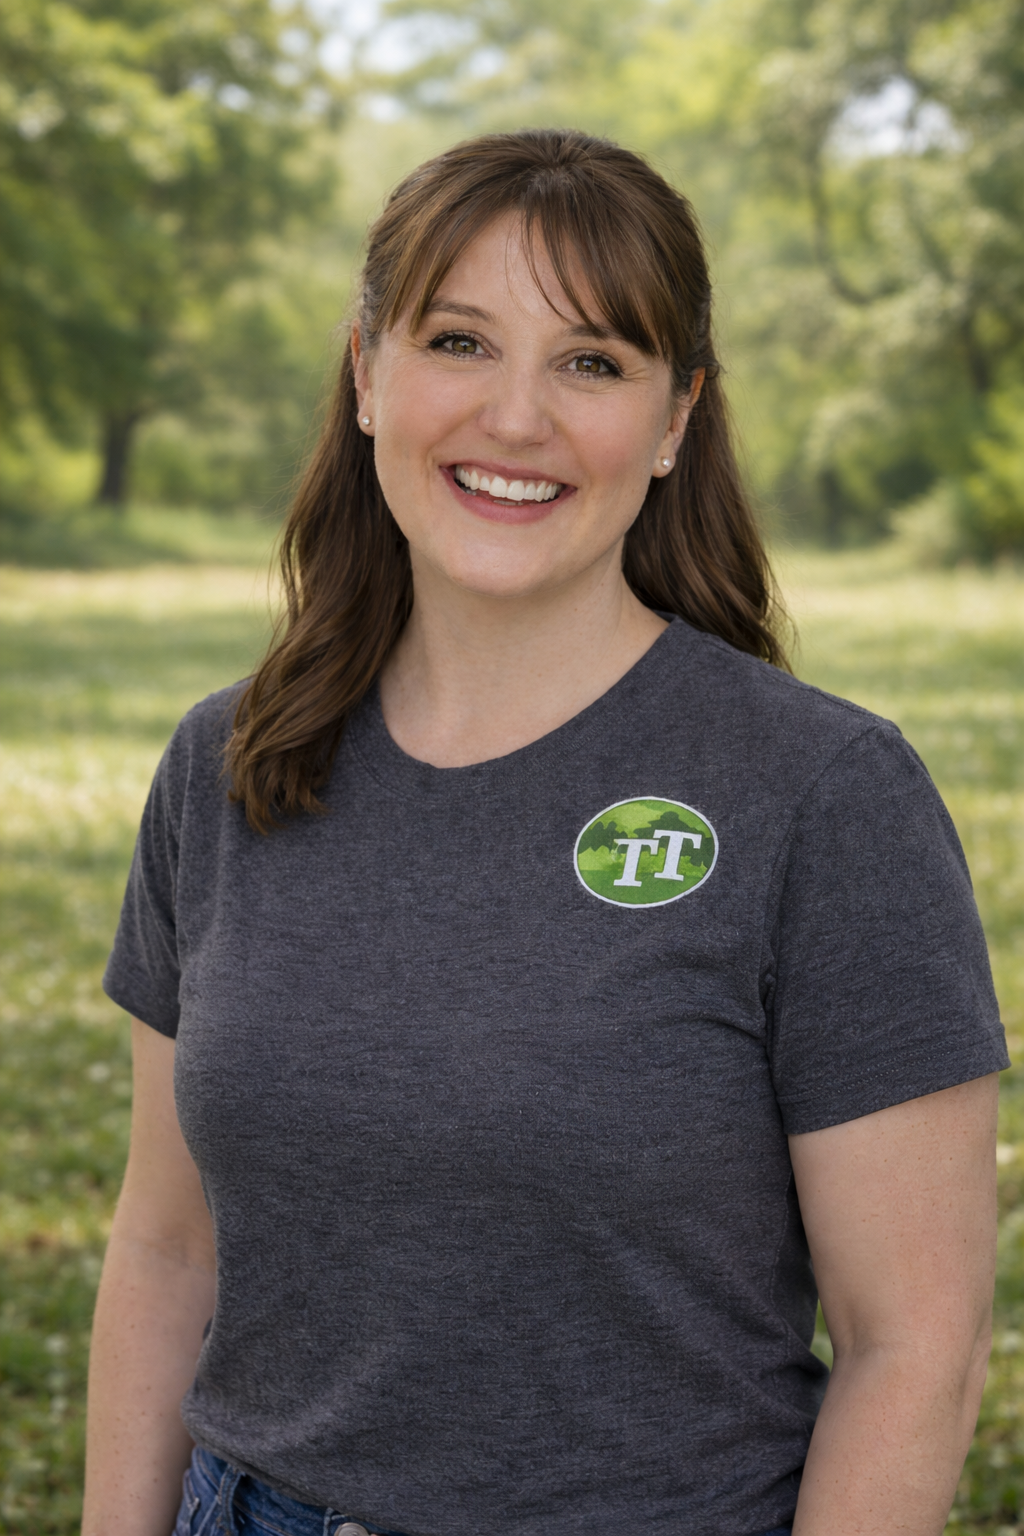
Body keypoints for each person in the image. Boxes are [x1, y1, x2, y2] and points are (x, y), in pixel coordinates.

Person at [83, 128, 1007, 1536]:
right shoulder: (230, 762)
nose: (516, 417)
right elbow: (165, 1249)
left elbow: (915, 1352)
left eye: (591, 361)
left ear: (675, 420)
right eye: (459, 341)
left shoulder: (823, 795)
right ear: (368, 375)